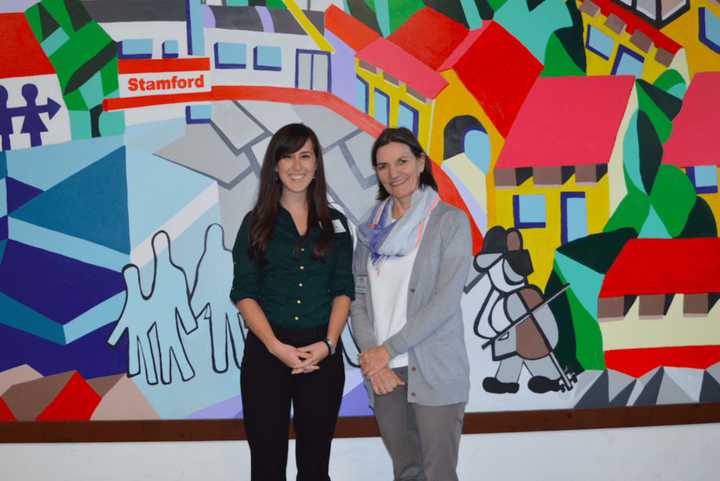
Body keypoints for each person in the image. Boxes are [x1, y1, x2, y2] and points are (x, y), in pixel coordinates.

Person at [230, 123, 354, 481]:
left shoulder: (336, 224)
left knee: (315, 468)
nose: (296, 166)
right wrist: (274, 347)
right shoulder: (255, 223)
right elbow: (244, 292)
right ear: (274, 166)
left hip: (322, 353)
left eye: (305, 156)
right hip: (267, 354)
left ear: (317, 164)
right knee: (267, 466)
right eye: (287, 156)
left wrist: (329, 345)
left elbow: (343, 289)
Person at [350, 127, 472, 481]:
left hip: (434, 369)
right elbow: (358, 299)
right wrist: (375, 360)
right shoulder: (369, 230)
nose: (394, 173)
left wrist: (386, 351)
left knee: (438, 474)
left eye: (402, 161)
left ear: (421, 163)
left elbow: (445, 301)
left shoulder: (450, 222)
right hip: (384, 375)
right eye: (383, 166)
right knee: (406, 473)